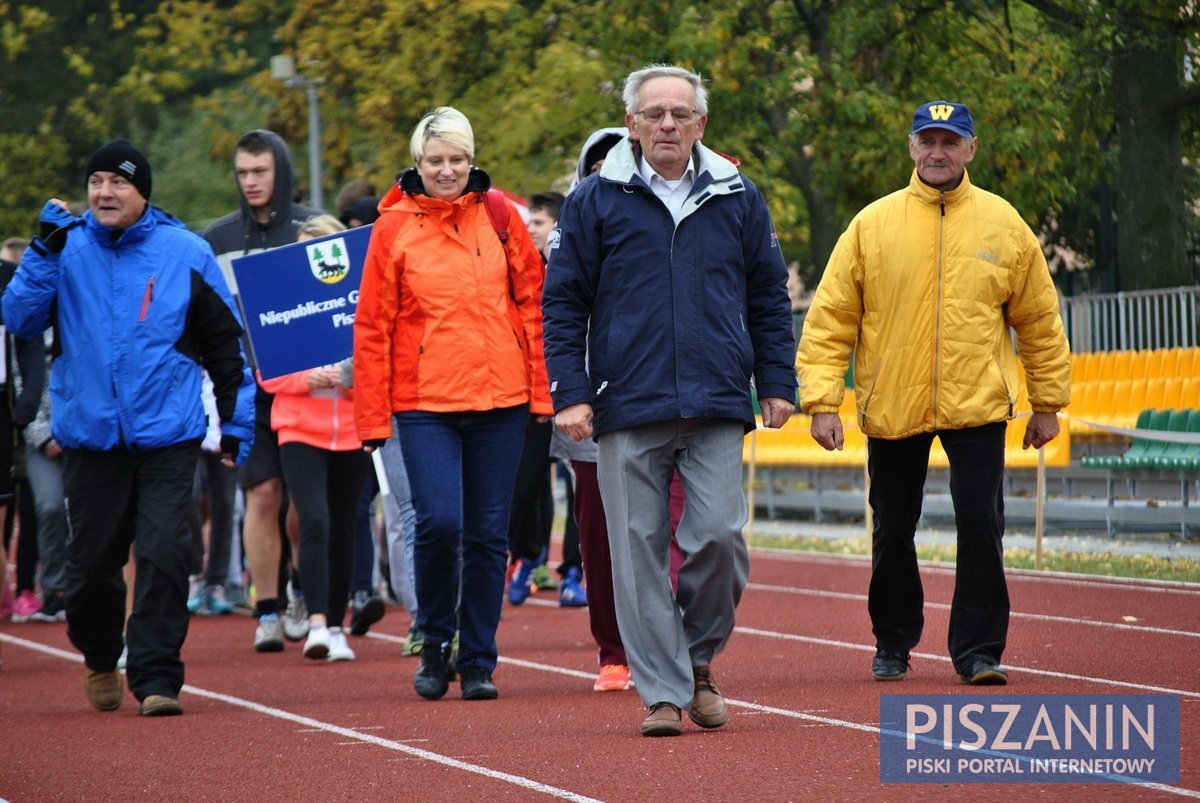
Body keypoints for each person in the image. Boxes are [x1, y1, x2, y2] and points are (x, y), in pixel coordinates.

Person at [542, 65, 797, 737]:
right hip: (625, 400)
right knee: (636, 553)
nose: (667, 124)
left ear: (700, 124)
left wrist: (776, 381)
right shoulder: (595, 198)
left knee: (718, 538)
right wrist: (570, 392)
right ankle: (662, 691)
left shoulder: (738, 194)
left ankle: (698, 658)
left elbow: (768, 294)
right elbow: (563, 304)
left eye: (680, 114)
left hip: (716, 398)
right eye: (653, 113)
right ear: (631, 124)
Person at [796, 100, 1071, 686]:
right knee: (892, 525)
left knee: (981, 524)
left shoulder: (1005, 224)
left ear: (971, 149)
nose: (938, 152)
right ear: (912, 148)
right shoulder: (871, 225)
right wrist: (822, 402)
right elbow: (831, 319)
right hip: (893, 400)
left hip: (977, 403)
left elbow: (1040, 321)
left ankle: (979, 652)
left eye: (951, 141)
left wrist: (1047, 402)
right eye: (928, 141)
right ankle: (893, 642)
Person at [2, 139, 256, 715]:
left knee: (167, 553)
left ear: (143, 192)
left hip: (168, 435)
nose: (104, 192)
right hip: (90, 439)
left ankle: (156, 675)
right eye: (95, 183)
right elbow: (18, 317)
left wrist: (239, 426)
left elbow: (227, 349)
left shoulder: (185, 253)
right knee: (90, 569)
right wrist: (41, 252)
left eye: (118, 183)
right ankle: (98, 654)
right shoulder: (62, 251)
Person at [354, 106, 552, 701]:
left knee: (490, 533)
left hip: (502, 399)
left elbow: (533, 306)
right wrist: (371, 416)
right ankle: (435, 638)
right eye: (436, 160)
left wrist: (541, 396)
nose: (448, 170)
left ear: (472, 159)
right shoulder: (392, 227)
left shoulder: (500, 218)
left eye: (457, 159)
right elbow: (372, 325)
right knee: (439, 523)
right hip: (425, 403)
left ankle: (479, 659)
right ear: (417, 163)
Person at [203, 129, 321, 652]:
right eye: (243, 173)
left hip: (307, 391)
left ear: (282, 171)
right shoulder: (219, 238)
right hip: (250, 392)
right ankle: (267, 608)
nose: (251, 182)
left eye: (260, 172)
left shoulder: (311, 228)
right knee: (262, 494)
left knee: (300, 504)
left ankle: (302, 587)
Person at [506, 190, 568, 605]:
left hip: (579, 391)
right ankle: (528, 554)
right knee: (526, 486)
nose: (532, 231)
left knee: (584, 488)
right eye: (529, 224)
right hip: (533, 395)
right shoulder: (521, 267)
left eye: (539, 224)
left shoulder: (574, 264)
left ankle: (575, 569)